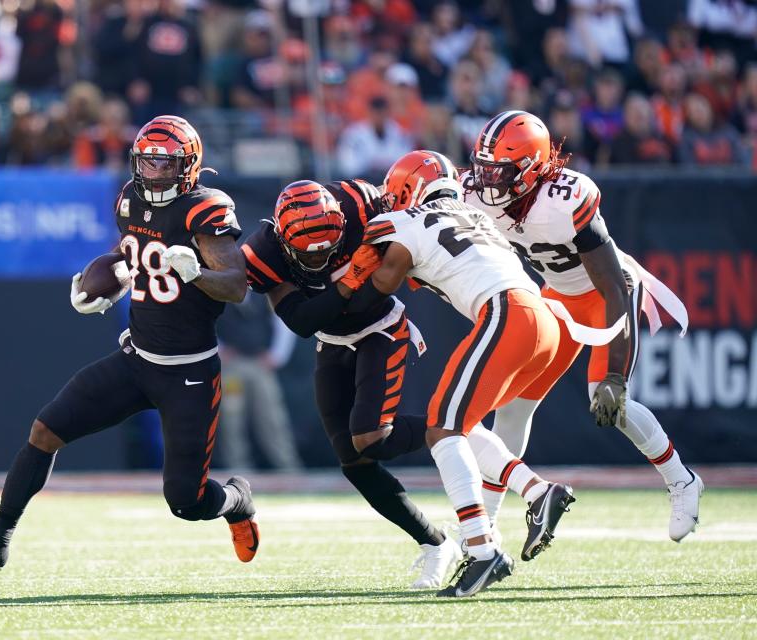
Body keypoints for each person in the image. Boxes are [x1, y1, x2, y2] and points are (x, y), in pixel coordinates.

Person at [0, 115, 259, 568]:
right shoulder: (129, 200)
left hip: (187, 370)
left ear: (187, 166)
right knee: (45, 430)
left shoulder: (204, 209)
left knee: (186, 502)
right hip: (137, 358)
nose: (152, 173)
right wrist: (103, 280)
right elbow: (130, 252)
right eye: (146, 163)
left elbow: (236, 285)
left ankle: (237, 500)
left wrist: (198, 274)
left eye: (163, 164)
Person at [344, 150, 583, 597]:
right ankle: (534, 493)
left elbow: (378, 285)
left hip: (508, 313)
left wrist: (339, 295)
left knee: (441, 427)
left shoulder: (405, 221)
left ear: (406, 190)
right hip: (545, 319)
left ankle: (482, 550)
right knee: (460, 425)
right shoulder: (475, 214)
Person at [460, 110, 702, 543]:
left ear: (531, 169)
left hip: (607, 294)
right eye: (484, 168)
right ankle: (487, 523)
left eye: (500, 171)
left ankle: (682, 480)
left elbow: (612, 284)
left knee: (608, 401)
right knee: (512, 406)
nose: (487, 181)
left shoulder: (564, 200)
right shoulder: (477, 194)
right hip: (556, 296)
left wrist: (614, 375)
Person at [240, 178, 463, 590]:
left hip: (381, 326)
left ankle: (457, 427)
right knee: (354, 462)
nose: (322, 260)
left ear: (342, 224)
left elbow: (414, 198)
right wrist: (347, 280)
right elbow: (304, 323)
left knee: (371, 438)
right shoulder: (264, 252)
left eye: (329, 250)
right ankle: (435, 544)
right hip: (331, 339)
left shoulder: (362, 204)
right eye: (311, 255)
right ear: (284, 239)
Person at [216, 295, 303, 471]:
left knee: (272, 417)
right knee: (231, 418)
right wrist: (219, 349)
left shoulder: (261, 290)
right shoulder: (219, 290)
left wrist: (277, 355)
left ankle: (287, 467)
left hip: (259, 363)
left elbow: (283, 322)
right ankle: (238, 468)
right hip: (231, 365)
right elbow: (203, 321)